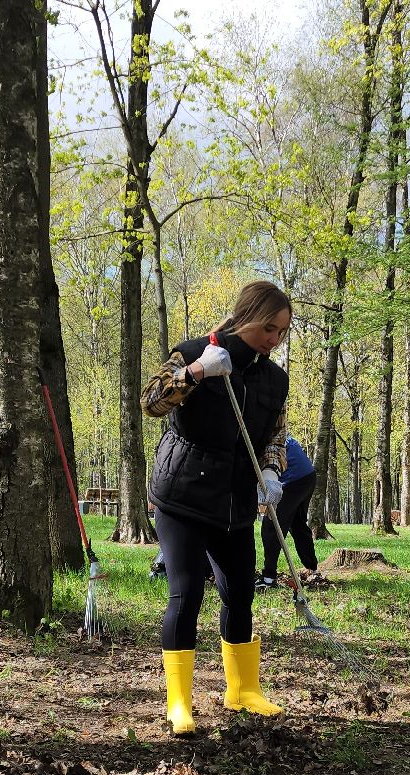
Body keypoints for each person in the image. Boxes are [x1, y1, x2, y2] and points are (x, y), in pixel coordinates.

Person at [143, 281, 292, 737]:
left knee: (240, 591)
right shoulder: (193, 351)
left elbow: (275, 436)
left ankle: (242, 690)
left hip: (235, 500)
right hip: (182, 496)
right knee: (186, 592)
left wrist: (271, 471)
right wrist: (195, 372)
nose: (274, 340)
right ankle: (179, 703)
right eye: (268, 328)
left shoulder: (274, 380)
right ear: (247, 317)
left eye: (282, 332)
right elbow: (151, 401)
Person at [257, 435, 320, 589]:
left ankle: (268, 578)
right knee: (297, 522)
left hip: (292, 479)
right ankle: (312, 568)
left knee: (271, 525)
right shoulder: (275, 429)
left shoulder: (259, 433)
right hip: (307, 475)